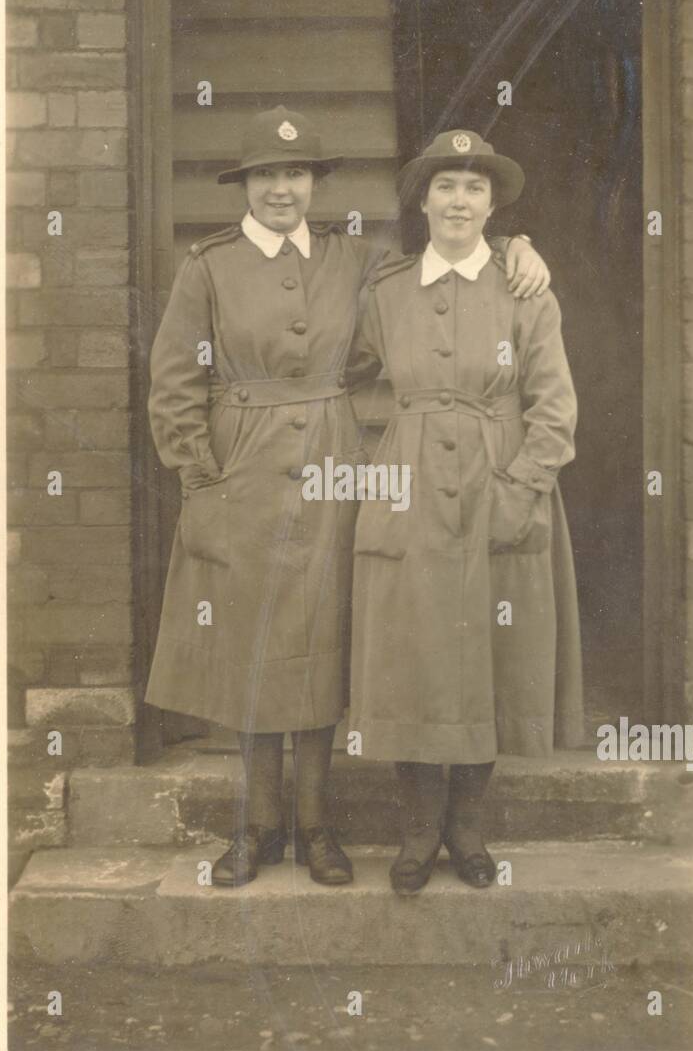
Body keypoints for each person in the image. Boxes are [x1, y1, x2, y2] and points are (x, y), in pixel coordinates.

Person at [145, 107, 553, 888]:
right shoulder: (208, 265)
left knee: (323, 641)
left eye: (294, 175)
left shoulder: (356, 261)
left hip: (333, 466)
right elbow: (174, 383)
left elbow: (446, 262)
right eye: (265, 175)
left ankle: (317, 828)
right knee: (250, 648)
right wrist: (201, 476)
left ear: (314, 184)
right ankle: (257, 827)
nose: (280, 190)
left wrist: (517, 246)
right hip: (244, 467)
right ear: (246, 185)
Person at [346, 129, 584, 895]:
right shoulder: (384, 293)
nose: (458, 200)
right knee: (413, 655)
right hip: (409, 489)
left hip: (498, 480)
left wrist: (521, 486)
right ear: (422, 200)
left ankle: (467, 827)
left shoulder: (525, 291)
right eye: (444, 186)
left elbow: (554, 406)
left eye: (474, 188)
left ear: (493, 205)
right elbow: (328, 377)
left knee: (490, 653)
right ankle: (417, 832)